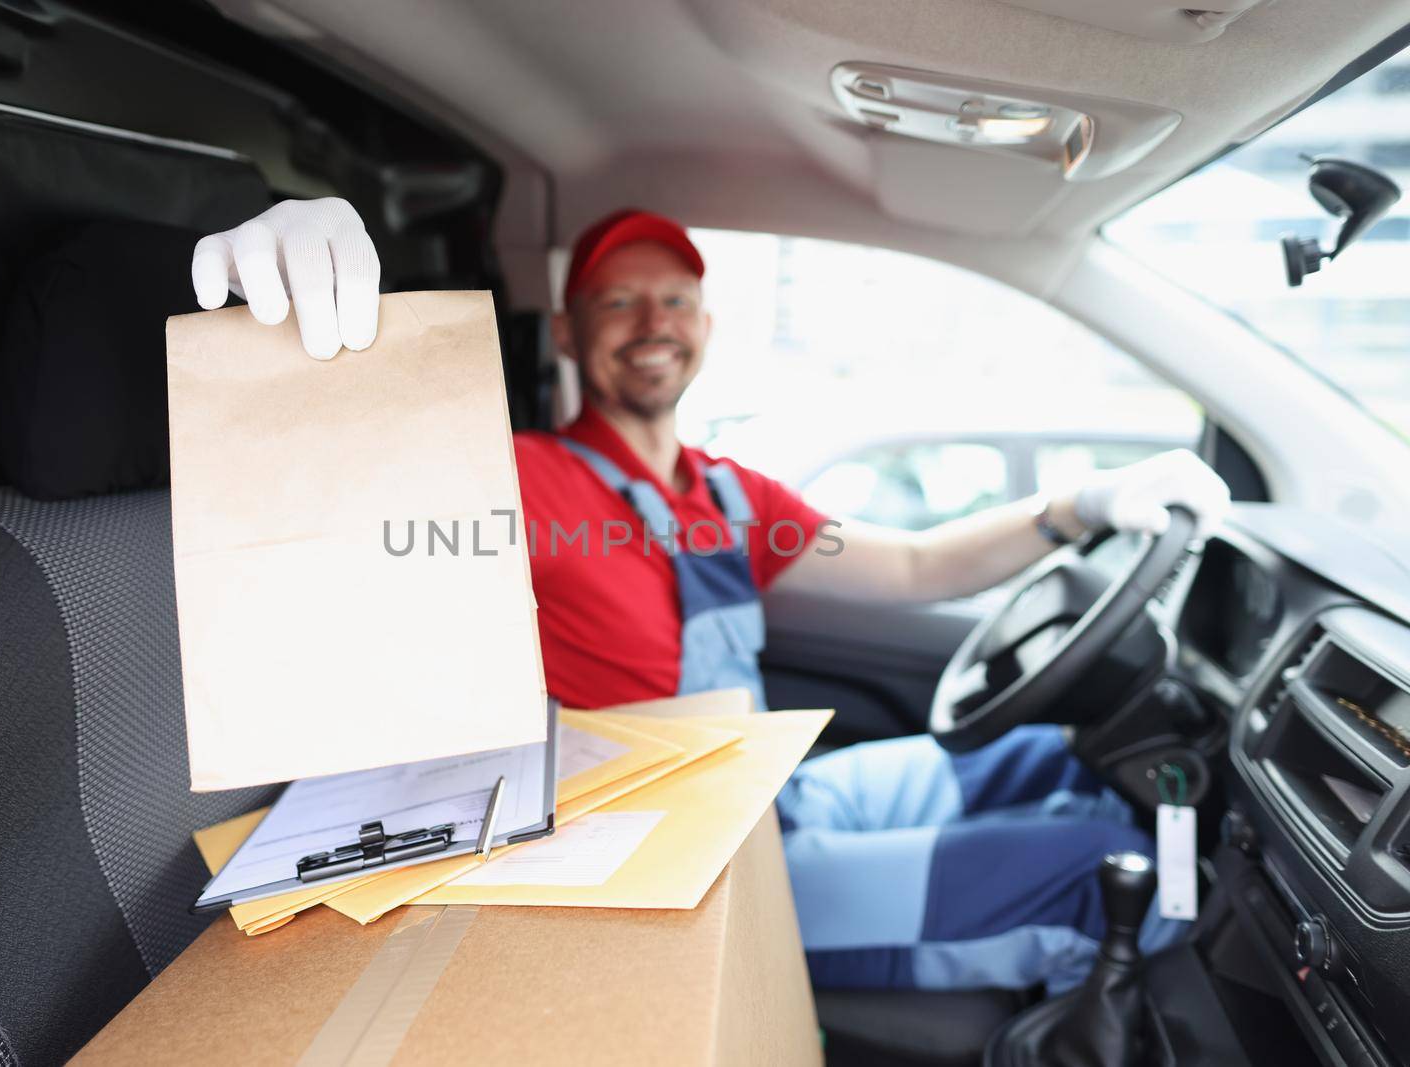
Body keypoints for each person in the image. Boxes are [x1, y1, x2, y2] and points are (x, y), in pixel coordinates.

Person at [189, 198, 1229, 993]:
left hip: (778, 793)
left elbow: (916, 566)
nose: (652, 321)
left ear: (704, 325)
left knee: (1056, 753)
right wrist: (294, 339)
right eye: (617, 300)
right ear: (565, 332)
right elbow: (350, 500)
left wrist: (1080, 504)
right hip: (674, 861)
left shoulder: (728, 494)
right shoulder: (521, 477)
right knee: (1099, 864)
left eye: (674, 298)